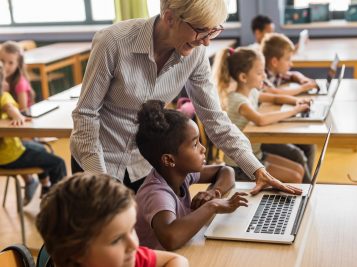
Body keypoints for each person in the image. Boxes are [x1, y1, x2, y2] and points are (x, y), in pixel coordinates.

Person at [70, 0, 301, 196]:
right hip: (97, 160)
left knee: (143, 242)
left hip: (143, 162)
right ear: (170, 18)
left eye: (214, 30)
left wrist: (256, 169)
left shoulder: (195, 54)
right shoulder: (112, 42)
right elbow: (85, 114)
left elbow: (214, 119)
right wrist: (100, 180)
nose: (207, 41)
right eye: (201, 29)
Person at [135, 100, 248, 250]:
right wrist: (211, 206)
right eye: (195, 144)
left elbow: (226, 171)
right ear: (169, 159)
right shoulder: (156, 193)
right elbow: (171, 238)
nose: (202, 149)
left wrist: (213, 192)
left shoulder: (180, 174)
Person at [36, 172, 189, 267]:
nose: (134, 245)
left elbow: (176, 260)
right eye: (116, 240)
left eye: (131, 230)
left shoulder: (128, 259)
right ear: (77, 253)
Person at [213, 47, 311, 182]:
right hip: (240, 166)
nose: (264, 76)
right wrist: (294, 111)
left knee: (299, 170)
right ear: (243, 77)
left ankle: (303, 200)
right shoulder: (237, 99)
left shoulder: (252, 92)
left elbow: (275, 98)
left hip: (255, 155)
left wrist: (297, 101)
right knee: (294, 177)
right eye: (259, 73)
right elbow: (260, 120)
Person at [0, 61, 66, 203]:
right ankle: (58, 204)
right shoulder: (3, 96)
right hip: (8, 156)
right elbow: (11, 108)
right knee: (58, 163)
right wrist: (18, 117)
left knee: (40, 149)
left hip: (9, 150)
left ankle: (45, 186)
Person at [261, 33, 317, 177]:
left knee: (309, 145)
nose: (291, 63)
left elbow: (293, 74)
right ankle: (305, 189)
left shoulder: (277, 73)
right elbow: (276, 93)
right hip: (261, 135)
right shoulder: (261, 75)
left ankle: (308, 184)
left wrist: (302, 79)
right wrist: (303, 88)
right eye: (288, 59)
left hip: (272, 124)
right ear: (274, 61)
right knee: (297, 155)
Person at [0, 41, 35, 112]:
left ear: (18, 64)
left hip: (19, 118)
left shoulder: (20, 83)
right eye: (2, 61)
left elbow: (23, 110)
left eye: (11, 63)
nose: (5, 66)